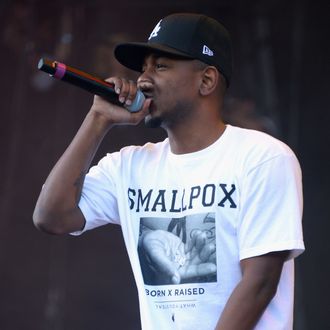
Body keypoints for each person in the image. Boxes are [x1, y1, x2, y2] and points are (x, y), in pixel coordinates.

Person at [33, 13, 305, 330]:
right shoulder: (128, 165)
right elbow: (50, 216)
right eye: (143, 68)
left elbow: (260, 283)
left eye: (160, 67)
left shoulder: (263, 157)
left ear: (206, 81)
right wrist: (98, 119)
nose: (143, 79)